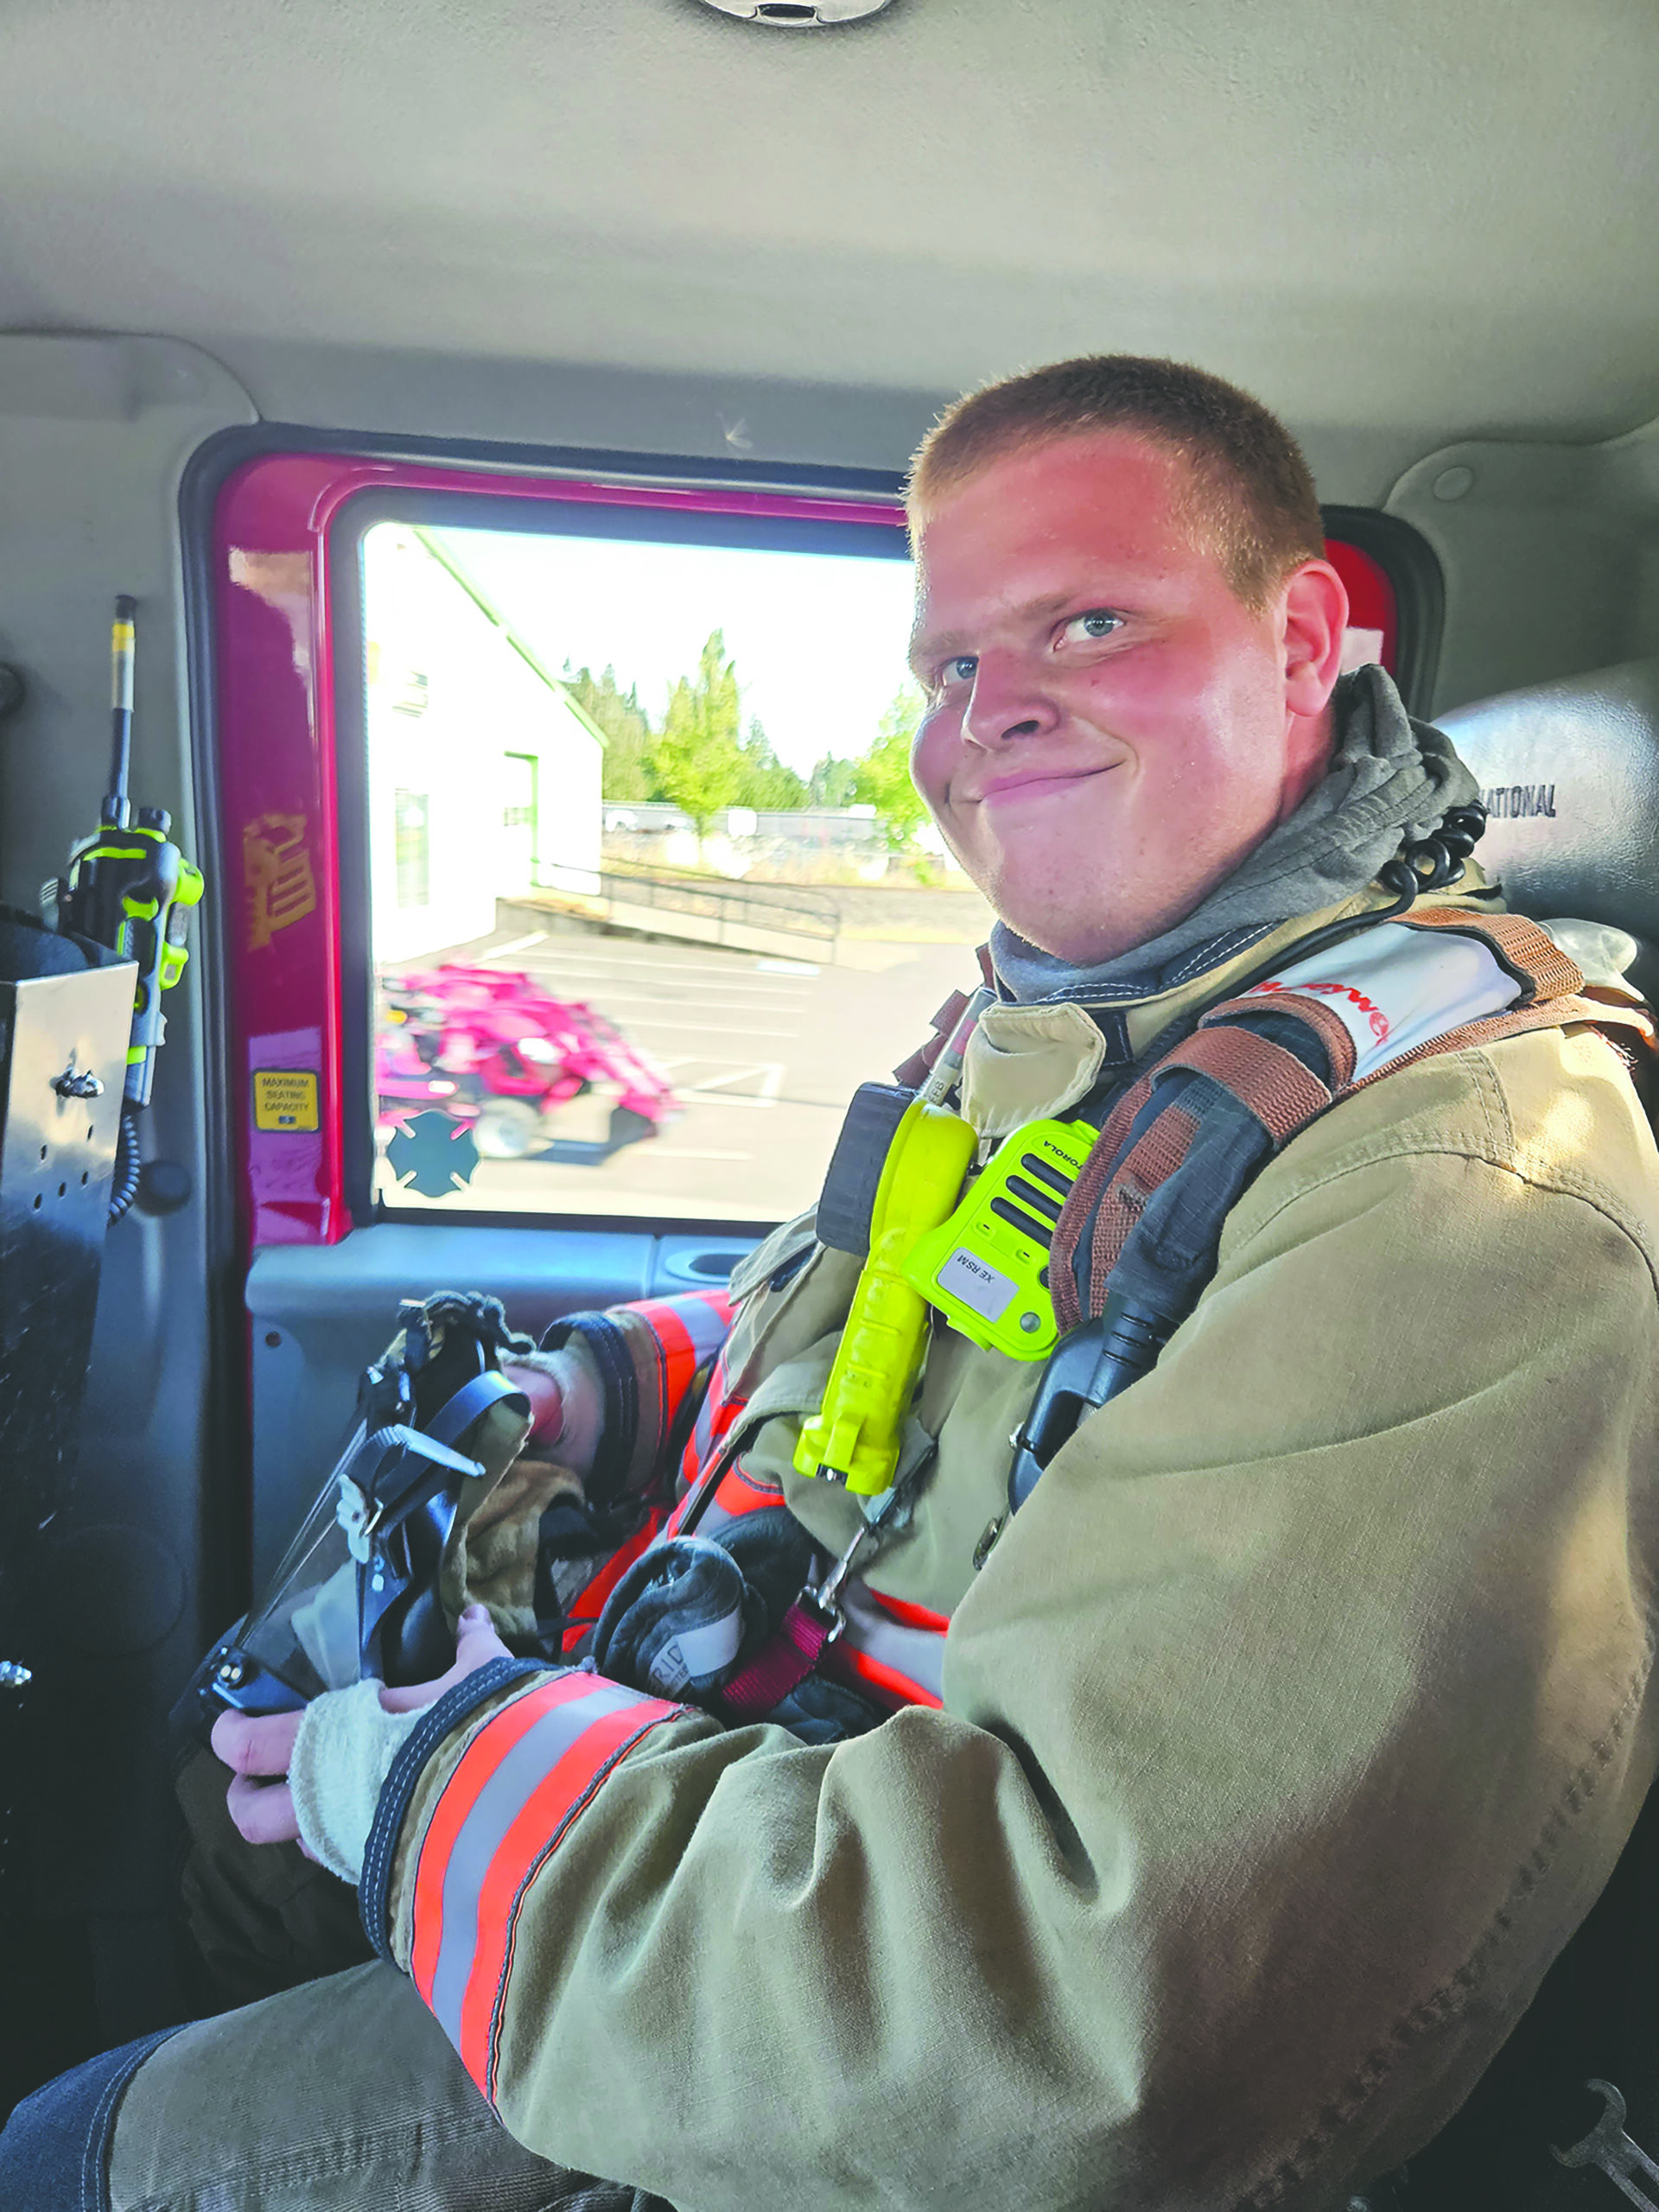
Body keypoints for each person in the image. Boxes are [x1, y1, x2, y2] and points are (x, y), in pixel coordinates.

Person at [8, 354, 1659, 2212]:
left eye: (1087, 623)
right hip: (757, 1811)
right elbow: (883, 1324)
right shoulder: (1071, 1024)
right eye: (951, 667)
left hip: (861, 2014)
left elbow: (1068, 2025)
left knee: (59, 2149)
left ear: (1301, 641)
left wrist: (414, 1790)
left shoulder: (1463, 1180)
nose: (987, 718)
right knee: (216, 1837)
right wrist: (614, 1383)